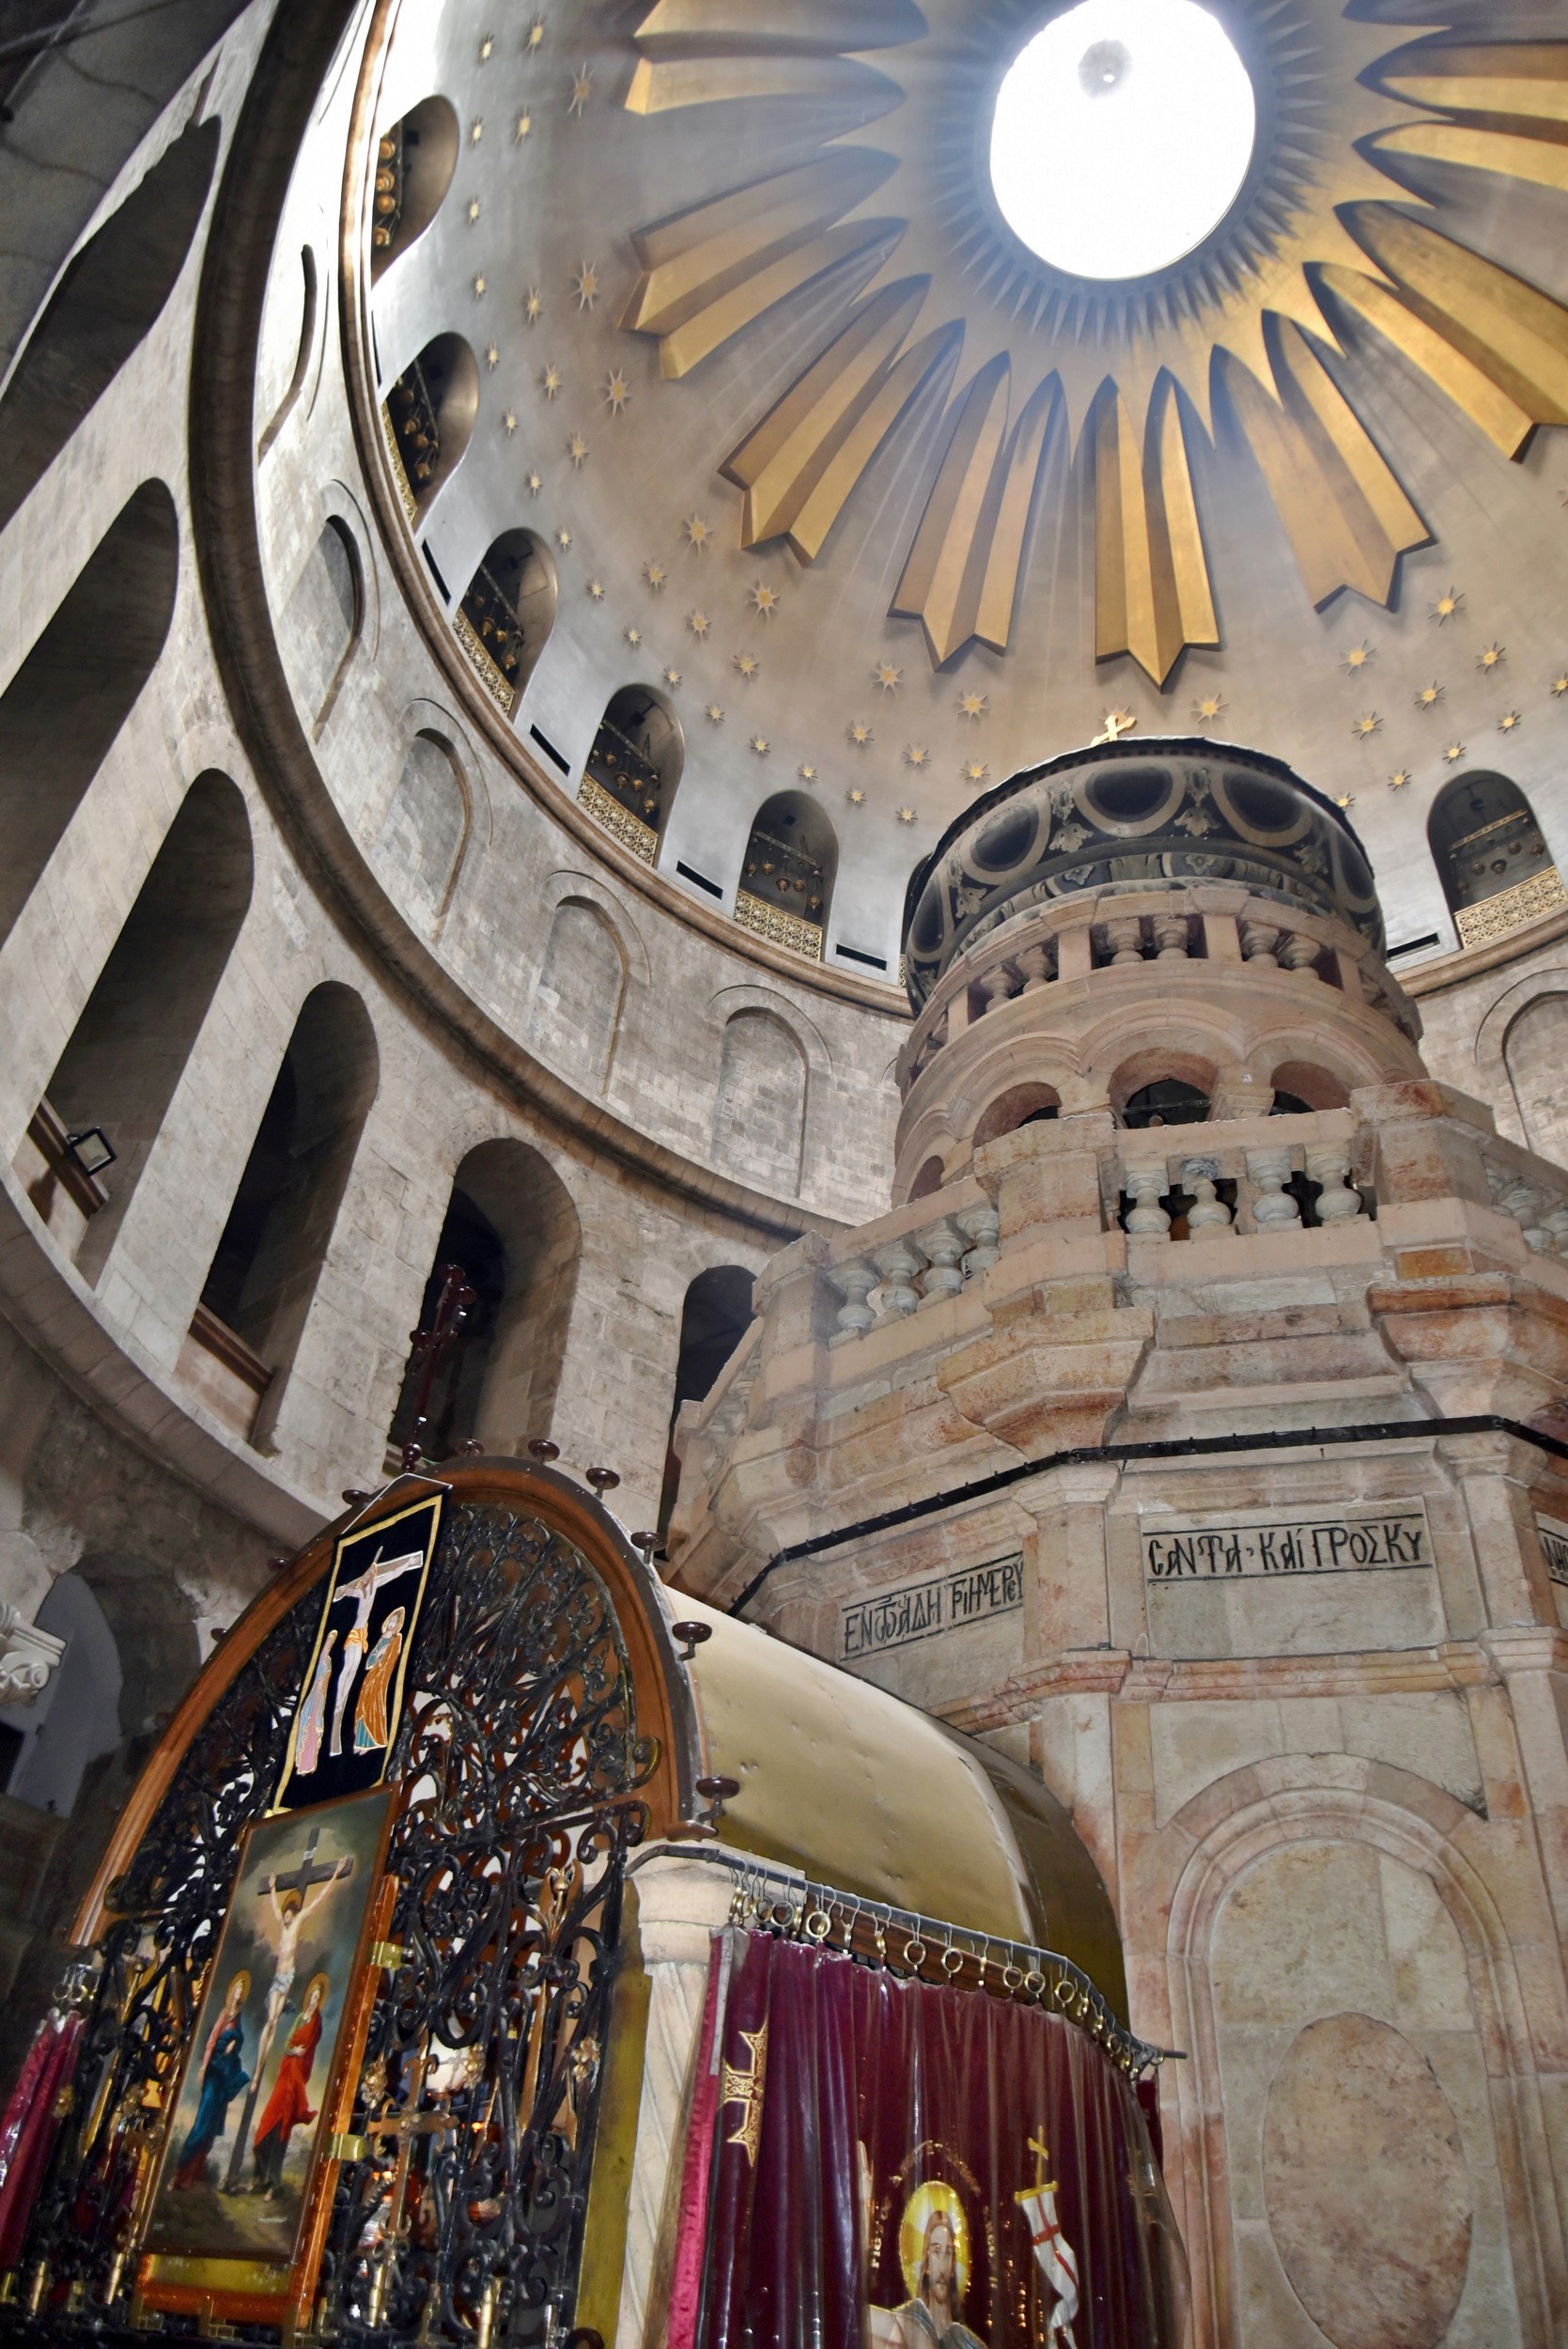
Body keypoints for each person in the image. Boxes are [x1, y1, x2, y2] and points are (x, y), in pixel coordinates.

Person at [250, 1974, 327, 2197]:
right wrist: (293, 2050)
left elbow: (309, 2047)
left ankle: (273, 2184)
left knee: (282, 2131)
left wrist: (299, 2053)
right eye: (311, 1996)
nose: (313, 2001)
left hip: (296, 2080)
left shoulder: (316, 2024)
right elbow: (287, 2044)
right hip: (286, 2076)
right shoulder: (301, 2017)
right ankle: (259, 2178)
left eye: (317, 1998)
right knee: (267, 2124)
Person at [172, 1974, 250, 2188]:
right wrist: (204, 2065)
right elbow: (212, 2041)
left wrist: (234, 2046)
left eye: (242, 1990)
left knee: (212, 2122)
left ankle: (192, 2173)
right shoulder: (225, 2014)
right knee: (202, 2121)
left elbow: (237, 2042)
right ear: (232, 1991)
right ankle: (179, 2169)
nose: (239, 1993)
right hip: (214, 2071)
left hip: (225, 2074)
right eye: (237, 1988)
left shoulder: (238, 2018)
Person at [883, 2209, 986, 2349]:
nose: (942, 2268)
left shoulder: (969, 2344)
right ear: (927, 2263)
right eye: (936, 2252)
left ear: (953, 2267)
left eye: (948, 2253)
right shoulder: (905, 2324)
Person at [352, 1606, 405, 1752]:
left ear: (397, 1625)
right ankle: (360, 1741)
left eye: (394, 1622)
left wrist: (383, 1656)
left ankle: (372, 1740)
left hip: (382, 1676)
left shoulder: (396, 1639)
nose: (391, 1624)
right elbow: (369, 1662)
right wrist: (378, 1654)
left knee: (374, 1704)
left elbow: (392, 1659)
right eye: (390, 1621)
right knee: (363, 1702)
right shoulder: (383, 1638)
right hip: (372, 1674)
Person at [293, 1629, 336, 1778]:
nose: (329, 1645)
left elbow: (327, 1679)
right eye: (328, 1642)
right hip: (315, 1692)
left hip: (321, 1693)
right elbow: (318, 1674)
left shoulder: (329, 1661)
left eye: (331, 1643)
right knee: (307, 1724)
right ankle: (302, 1761)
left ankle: (309, 1763)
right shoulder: (320, 1658)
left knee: (314, 1731)